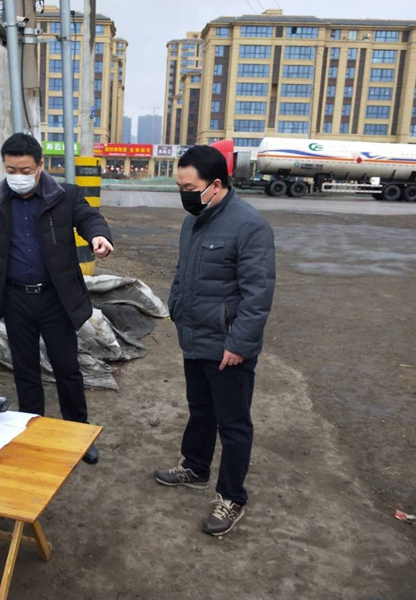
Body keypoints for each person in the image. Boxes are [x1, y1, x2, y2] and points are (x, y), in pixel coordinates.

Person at [0, 133, 113, 465]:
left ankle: (78, 434)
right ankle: (31, 431)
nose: (17, 176)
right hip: (15, 298)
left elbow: (89, 218)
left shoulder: (65, 196)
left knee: (67, 369)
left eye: (25, 170)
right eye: (11, 170)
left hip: (55, 298)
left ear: (40, 165)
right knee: (25, 371)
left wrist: (99, 236)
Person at [155, 145, 276, 537]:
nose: (184, 195)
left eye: (190, 188)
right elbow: (182, 272)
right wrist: (176, 306)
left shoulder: (249, 226)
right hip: (195, 338)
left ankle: (232, 497)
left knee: (234, 424)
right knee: (200, 410)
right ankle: (195, 467)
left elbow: (258, 294)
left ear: (216, 185)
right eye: (180, 187)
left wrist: (239, 344)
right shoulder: (194, 222)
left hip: (228, 347)